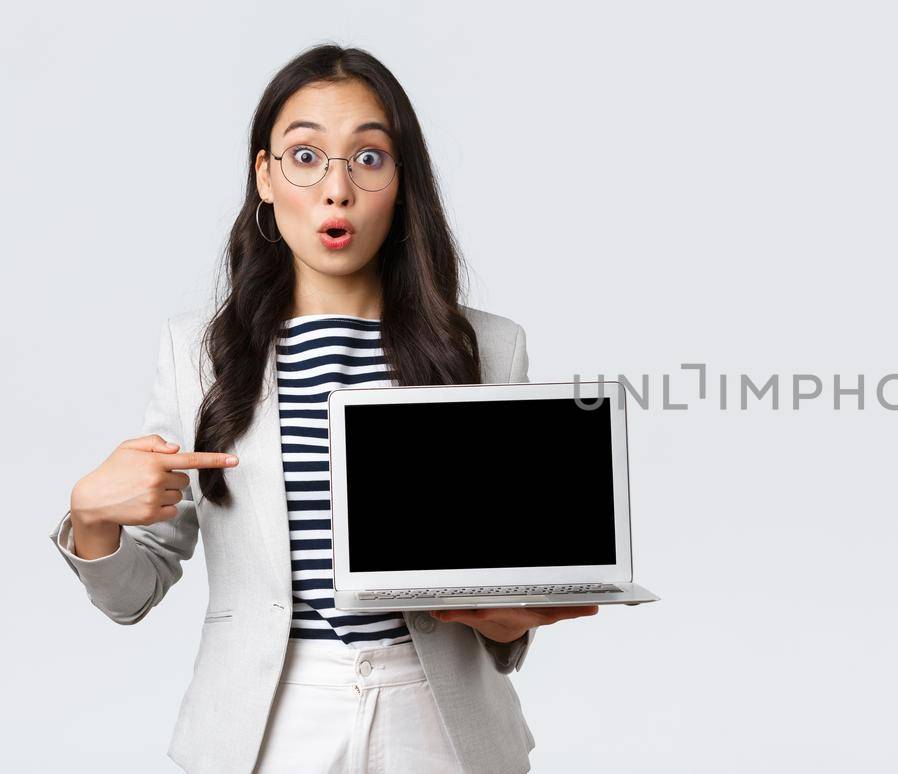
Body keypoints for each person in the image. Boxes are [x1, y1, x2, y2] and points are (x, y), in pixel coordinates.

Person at [48, 44, 596, 773]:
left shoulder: (490, 349)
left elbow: (502, 590)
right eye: (305, 157)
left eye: (368, 159)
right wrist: (91, 520)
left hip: (439, 724)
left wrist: (507, 624)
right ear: (265, 179)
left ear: (402, 183)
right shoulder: (197, 354)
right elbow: (130, 595)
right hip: (267, 725)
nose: (336, 190)